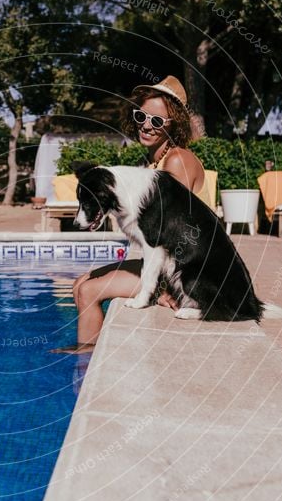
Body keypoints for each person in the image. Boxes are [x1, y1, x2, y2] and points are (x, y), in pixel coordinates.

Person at [53, 75, 209, 355]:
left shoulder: (177, 160)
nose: (146, 126)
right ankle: (89, 352)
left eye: (157, 121)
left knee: (89, 292)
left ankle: (86, 366)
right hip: (164, 262)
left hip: (184, 269)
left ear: (175, 125)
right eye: (142, 116)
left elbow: (174, 229)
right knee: (79, 284)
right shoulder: (151, 161)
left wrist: (161, 288)